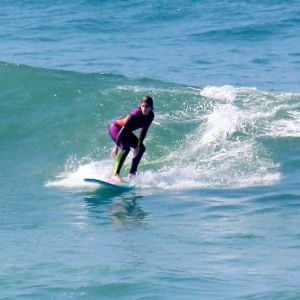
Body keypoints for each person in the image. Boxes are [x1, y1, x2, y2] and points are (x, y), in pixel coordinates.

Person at [108, 96, 155, 182]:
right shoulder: (135, 114)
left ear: (151, 107)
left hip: (126, 131)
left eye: (146, 106)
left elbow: (144, 131)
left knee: (141, 149)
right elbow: (123, 129)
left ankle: (132, 174)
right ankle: (115, 174)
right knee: (125, 148)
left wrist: (138, 146)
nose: (144, 108)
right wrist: (116, 147)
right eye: (142, 106)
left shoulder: (151, 116)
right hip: (116, 128)